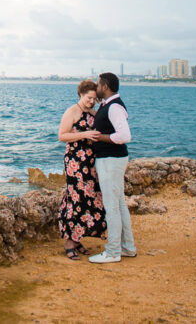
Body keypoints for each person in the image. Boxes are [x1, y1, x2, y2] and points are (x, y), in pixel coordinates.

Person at [88, 71, 137, 264]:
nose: (96, 88)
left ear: (105, 86)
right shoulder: (108, 105)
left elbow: (125, 136)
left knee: (112, 207)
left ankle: (113, 251)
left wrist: (100, 138)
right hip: (112, 159)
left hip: (110, 160)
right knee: (120, 204)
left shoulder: (114, 107)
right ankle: (127, 247)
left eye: (98, 85)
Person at [57, 79, 107, 260]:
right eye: (88, 97)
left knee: (88, 198)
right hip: (75, 161)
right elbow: (62, 136)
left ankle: (78, 239)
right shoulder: (72, 111)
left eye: (94, 98)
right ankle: (69, 241)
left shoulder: (93, 113)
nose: (91, 101)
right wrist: (84, 134)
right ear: (80, 94)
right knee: (75, 198)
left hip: (91, 162)